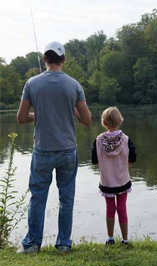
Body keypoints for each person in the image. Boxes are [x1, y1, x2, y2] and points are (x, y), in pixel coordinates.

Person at [17, 41, 91, 254]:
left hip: (42, 151)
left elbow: (21, 118)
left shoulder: (31, 83)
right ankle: (64, 245)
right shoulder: (74, 85)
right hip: (68, 151)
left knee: (38, 197)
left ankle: (32, 245)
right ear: (63, 60)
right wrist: (73, 111)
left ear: (44, 59)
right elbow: (87, 120)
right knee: (66, 198)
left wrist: (37, 114)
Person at [92, 107, 136, 245]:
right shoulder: (126, 139)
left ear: (104, 122)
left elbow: (94, 161)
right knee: (122, 207)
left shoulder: (98, 140)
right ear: (119, 121)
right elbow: (133, 158)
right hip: (122, 180)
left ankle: (110, 238)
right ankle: (125, 239)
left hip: (107, 183)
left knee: (110, 208)